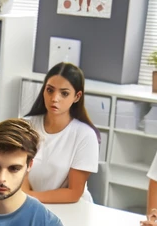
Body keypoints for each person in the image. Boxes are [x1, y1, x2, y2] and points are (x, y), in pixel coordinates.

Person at [24, 62, 100, 204]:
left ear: (77, 97)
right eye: (50, 90)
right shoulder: (25, 126)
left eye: (64, 93)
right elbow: (16, 171)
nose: (55, 98)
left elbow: (73, 193)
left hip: (71, 208)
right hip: (29, 206)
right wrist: (26, 200)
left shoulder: (85, 135)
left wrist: (29, 198)